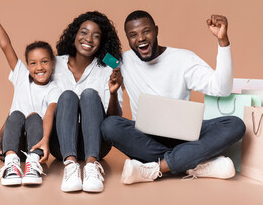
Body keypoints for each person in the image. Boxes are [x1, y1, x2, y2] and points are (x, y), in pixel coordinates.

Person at [100, 10, 246, 184]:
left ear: (156, 30)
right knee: (109, 125)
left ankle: (157, 168)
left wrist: (223, 42)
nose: (140, 38)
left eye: (146, 31)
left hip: (186, 135)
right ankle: (193, 162)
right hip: (146, 138)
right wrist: (114, 91)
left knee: (235, 125)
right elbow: (97, 54)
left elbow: (222, 89)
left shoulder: (183, 58)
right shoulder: (120, 61)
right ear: (127, 38)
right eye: (133, 35)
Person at [0, 0, 62, 186]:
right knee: (16, 114)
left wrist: (45, 139)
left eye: (45, 62)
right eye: (33, 63)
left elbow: (49, 115)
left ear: (53, 64)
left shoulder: (54, 89)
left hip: (36, 144)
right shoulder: (21, 75)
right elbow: (5, 44)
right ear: (27, 66)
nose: (39, 67)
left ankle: (32, 164)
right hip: (15, 141)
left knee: (35, 116)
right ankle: (11, 164)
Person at [49, 11, 123, 192]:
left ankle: (91, 167)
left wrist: (113, 93)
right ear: (74, 34)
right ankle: (71, 167)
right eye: (84, 32)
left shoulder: (108, 69)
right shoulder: (54, 63)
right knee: (67, 95)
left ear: (101, 43)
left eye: (96, 36)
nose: (88, 39)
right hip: (60, 144)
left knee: (89, 94)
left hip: (97, 145)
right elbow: (32, 95)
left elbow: (114, 120)